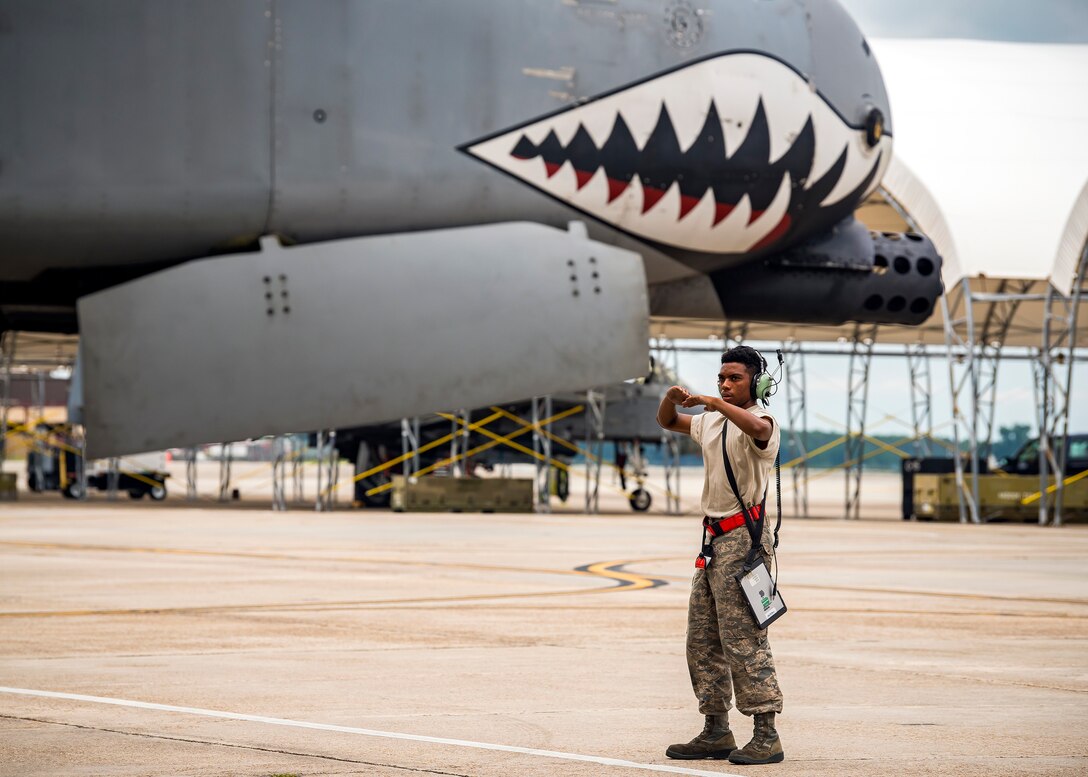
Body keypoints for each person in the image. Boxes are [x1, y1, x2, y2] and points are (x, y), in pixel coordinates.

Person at [656, 345, 784, 765]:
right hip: (712, 544)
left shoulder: (763, 423)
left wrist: (712, 402)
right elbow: (670, 421)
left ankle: (766, 734)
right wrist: (671, 399)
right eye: (721, 378)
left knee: (744, 639)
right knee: (703, 639)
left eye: (735, 379)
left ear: (756, 384)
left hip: (744, 543)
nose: (726, 385)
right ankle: (716, 729)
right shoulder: (710, 422)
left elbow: (755, 428)